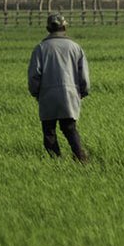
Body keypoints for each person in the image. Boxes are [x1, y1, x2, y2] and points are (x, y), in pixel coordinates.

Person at [28, 13, 91, 162]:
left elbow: (34, 76)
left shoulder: (40, 48)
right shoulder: (75, 47)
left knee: (49, 132)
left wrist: (36, 92)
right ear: (64, 27)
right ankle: (81, 158)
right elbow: (84, 76)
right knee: (69, 128)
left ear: (48, 28)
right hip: (70, 95)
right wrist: (83, 92)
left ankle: (56, 162)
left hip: (47, 95)